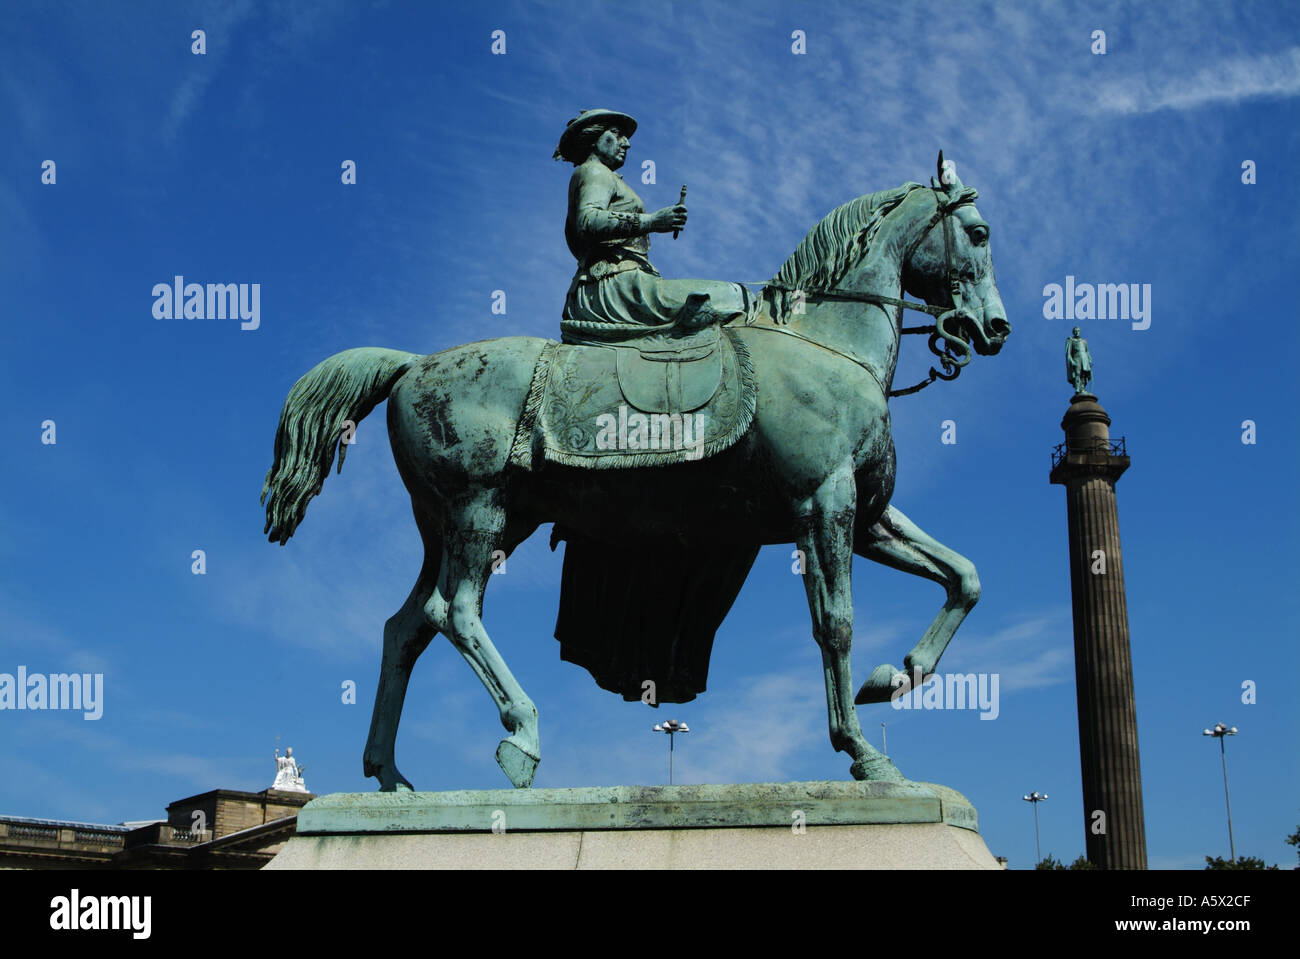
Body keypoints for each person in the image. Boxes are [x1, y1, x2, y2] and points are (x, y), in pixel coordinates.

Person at [553, 109, 756, 343]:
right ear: (592, 139)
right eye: (617, 134)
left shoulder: (604, 176)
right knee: (736, 297)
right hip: (614, 285)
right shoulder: (594, 171)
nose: (626, 143)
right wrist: (653, 222)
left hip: (621, 281)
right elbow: (588, 220)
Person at [1066, 326, 1093, 394]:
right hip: (1076, 358)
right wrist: (1071, 361)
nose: (1076, 332)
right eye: (1075, 331)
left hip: (1084, 358)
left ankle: (1083, 388)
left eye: (1078, 331)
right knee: (1077, 374)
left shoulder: (1084, 341)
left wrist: (1089, 359)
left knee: (1084, 374)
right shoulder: (1071, 340)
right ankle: (1078, 388)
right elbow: (1068, 353)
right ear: (1073, 332)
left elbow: (1087, 351)